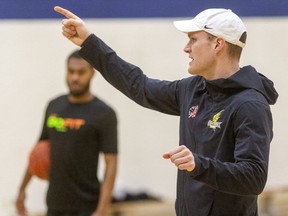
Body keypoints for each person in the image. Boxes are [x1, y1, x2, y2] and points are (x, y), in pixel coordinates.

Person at [54, 6, 279, 216]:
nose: (186, 48)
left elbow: (254, 177)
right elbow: (140, 86)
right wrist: (89, 42)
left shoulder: (250, 104)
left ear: (218, 44)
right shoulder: (192, 89)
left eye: (193, 39)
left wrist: (199, 165)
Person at [16, 50, 118, 216]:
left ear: (92, 73)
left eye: (81, 72)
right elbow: (38, 150)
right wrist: (22, 190)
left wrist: (102, 209)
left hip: (87, 206)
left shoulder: (104, 114)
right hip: (55, 204)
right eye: (71, 71)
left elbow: (111, 163)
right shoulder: (54, 106)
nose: (75, 77)